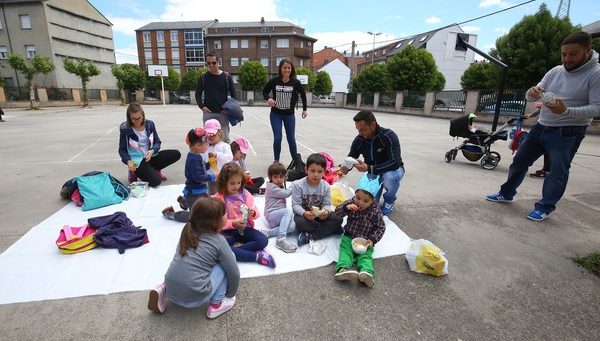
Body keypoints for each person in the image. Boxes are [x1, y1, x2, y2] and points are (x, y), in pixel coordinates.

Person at [486, 31, 600, 221]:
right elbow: (531, 96)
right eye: (564, 54)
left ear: (587, 50)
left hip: (568, 131)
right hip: (541, 126)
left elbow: (597, 107)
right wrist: (532, 92)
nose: (567, 59)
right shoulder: (555, 71)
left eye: (573, 54)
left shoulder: (596, 74)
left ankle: (545, 207)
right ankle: (506, 193)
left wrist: (566, 111)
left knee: (557, 171)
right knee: (520, 161)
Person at [147, 197, 239, 319]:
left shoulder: (187, 230)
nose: (226, 216)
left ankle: (163, 289)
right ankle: (217, 304)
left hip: (171, 287)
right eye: (224, 214)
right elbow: (234, 273)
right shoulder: (219, 240)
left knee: (185, 263)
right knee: (227, 260)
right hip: (196, 296)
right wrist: (230, 294)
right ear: (215, 222)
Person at [340, 110, 405, 216]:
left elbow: (395, 162)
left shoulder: (388, 136)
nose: (360, 133)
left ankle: (389, 200)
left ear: (373, 125)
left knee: (389, 177)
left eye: (363, 129)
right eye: (358, 130)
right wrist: (345, 167)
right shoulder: (359, 139)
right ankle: (377, 192)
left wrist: (369, 168)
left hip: (391, 170)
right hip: (373, 173)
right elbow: (351, 157)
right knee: (369, 203)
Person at [212, 163, 276, 268]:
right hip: (227, 231)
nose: (236, 186)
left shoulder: (245, 194)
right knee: (218, 247)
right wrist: (233, 223)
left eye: (238, 182)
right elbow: (216, 222)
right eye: (232, 183)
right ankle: (256, 256)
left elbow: (256, 213)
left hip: (245, 228)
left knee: (263, 240)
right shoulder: (218, 198)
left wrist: (253, 213)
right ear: (224, 182)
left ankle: (230, 254)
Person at [333, 174, 386, 288]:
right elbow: (337, 213)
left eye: (365, 201)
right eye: (358, 198)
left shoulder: (375, 211)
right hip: (349, 235)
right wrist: (345, 208)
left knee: (366, 256)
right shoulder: (351, 202)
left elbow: (381, 227)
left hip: (365, 240)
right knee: (345, 251)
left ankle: (366, 273)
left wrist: (372, 239)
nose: (360, 202)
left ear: (372, 201)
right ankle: (342, 269)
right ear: (355, 195)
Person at [118, 102, 181, 187]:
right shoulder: (125, 128)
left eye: (139, 118)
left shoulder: (150, 124)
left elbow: (157, 142)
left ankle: (155, 169)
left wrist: (152, 150)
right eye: (133, 119)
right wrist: (128, 161)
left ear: (143, 115)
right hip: (137, 161)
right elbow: (122, 149)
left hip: (151, 156)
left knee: (176, 154)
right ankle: (134, 172)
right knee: (156, 182)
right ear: (129, 117)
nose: (136, 121)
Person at [162, 128, 216, 222]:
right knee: (197, 217)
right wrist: (214, 176)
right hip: (195, 193)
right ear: (198, 145)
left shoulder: (196, 155)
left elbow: (201, 169)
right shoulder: (193, 159)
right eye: (207, 144)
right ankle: (172, 214)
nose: (208, 146)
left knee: (207, 206)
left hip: (197, 190)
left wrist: (209, 164)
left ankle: (185, 201)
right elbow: (198, 178)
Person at [262, 58, 308, 163]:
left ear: (291, 69)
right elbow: (264, 91)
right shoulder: (274, 81)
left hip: (289, 115)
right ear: (280, 69)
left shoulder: (295, 82)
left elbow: (303, 94)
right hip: (276, 114)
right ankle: (276, 160)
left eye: (289, 68)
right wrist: (268, 98)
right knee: (278, 138)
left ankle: (295, 161)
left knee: (291, 138)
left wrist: (304, 109)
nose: (287, 70)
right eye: (284, 68)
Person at [292, 153, 343, 246]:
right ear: (306, 170)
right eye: (312, 171)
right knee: (299, 223)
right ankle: (331, 229)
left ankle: (310, 236)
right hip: (305, 216)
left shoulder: (325, 186)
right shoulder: (298, 185)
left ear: (324, 172)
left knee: (339, 219)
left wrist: (326, 212)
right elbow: (295, 205)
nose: (316, 174)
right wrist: (304, 213)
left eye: (319, 171)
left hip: (320, 216)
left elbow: (327, 204)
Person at [195, 52, 236, 143]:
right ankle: (211, 157)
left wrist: (228, 110)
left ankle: (226, 157)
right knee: (208, 139)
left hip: (223, 114)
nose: (211, 65)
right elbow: (197, 94)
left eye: (213, 62)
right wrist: (202, 107)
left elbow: (234, 95)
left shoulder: (226, 76)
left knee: (225, 139)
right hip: (208, 114)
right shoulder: (203, 77)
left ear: (218, 62)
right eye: (208, 63)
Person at [264, 162, 297, 253]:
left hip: (279, 217)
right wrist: (293, 185)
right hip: (271, 215)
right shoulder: (272, 187)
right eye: (275, 177)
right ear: (270, 177)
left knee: (295, 225)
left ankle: (269, 233)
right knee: (288, 211)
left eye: (281, 177)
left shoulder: (279, 185)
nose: (279, 179)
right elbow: (286, 194)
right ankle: (281, 238)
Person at [203, 119, 233, 195]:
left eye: (213, 135)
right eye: (208, 135)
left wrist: (217, 154)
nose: (211, 138)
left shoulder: (224, 146)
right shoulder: (205, 148)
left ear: (219, 133)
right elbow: (202, 160)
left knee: (224, 194)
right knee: (213, 195)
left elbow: (229, 157)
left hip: (223, 176)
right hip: (211, 177)